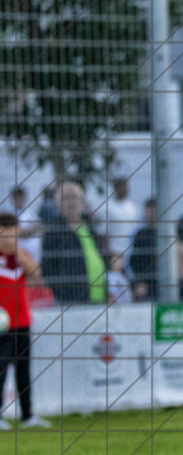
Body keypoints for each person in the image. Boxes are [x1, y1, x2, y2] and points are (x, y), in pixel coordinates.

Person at [0, 213, 47, 429]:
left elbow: (37, 276)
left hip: (22, 322)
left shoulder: (22, 255)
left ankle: (28, 415)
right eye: (6, 232)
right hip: (2, 325)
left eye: (14, 232)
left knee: (23, 370)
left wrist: (20, 253)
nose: (11, 237)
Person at [41, 182, 107, 305]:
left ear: (82, 203)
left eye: (74, 197)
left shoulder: (90, 229)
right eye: (65, 198)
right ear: (58, 204)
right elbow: (48, 270)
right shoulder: (53, 233)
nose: (70, 202)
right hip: (71, 301)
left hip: (98, 298)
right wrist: (64, 294)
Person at [94, 177, 140, 261]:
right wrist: (108, 253)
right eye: (122, 186)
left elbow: (136, 229)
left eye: (126, 186)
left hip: (131, 251)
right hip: (114, 252)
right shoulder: (108, 208)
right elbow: (103, 233)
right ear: (116, 188)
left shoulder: (132, 207)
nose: (124, 189)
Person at [129, 199, 158, 301]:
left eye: (154, 212)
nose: (151, 215)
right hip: (146, 283)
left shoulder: (168, 233)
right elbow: (134, 262)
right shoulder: (140, 234)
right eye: (149, 212)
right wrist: (140, 282)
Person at [6, 186, 42, 262]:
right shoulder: (9, 215)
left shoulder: (30, 213)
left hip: (33, 255)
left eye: (21, 197)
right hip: (17, 255)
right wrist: (29, 231)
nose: (20, 200)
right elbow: (17, 232)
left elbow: (40, 226)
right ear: (13, 199)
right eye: (17, 198)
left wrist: (26, 231)